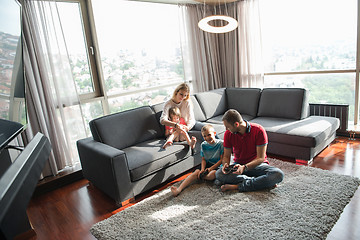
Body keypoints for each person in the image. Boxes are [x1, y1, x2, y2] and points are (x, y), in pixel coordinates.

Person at [215, 109, 284, 192]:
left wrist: (245, 168)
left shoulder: (259, 130)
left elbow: (260, 158)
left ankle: (237, 186)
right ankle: (261, 182)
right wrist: (225, 165)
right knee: (219, 174)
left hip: (257, 165)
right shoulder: (228, 134)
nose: (226, 129)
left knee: (278, 174)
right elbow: (226, 156)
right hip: (238, 166)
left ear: (236, 124)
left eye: (228, 127)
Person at [171, 124, 223, 196]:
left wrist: (210, 169)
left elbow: (221, 160)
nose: (207, 138)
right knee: (196, 173)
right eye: (204, 136)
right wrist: (202, 169)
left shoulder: (221, 143)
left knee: (212, 174)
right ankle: (178, 189)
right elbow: (204, 159)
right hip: (207, 164)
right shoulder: (203, 145)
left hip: (217, 165)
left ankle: (202, 177)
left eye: (209, 135)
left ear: (214, 134)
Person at [160, 83, 197, 148]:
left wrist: (188, 127)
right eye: (181, 94)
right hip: (177, 128)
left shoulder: (187, 102)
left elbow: (192, 120)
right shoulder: (168, 104)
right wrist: (175, 125)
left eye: (185, 95)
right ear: (176, 92)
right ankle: (169, 141)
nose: (182, 97)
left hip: (188, 126)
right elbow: (162, 120)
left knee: (207, 129)